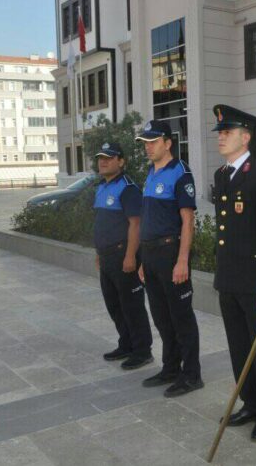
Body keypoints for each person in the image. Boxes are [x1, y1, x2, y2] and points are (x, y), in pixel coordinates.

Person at [211, 104, 256, 441]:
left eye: (227, 132)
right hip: (229, 278)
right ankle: (250, 402)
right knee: (239, 346)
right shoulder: (221, 175)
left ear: (245, 137)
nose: (221, 137)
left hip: (255, 282)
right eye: (220, 132)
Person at [135, 120, 203, 398]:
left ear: (168, 143)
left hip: (170, 253)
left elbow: (188, 222)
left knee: (181, 317)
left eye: (153, 142)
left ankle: (192, 375)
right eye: (145, 143)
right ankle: (171, 368)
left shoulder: (180, 173)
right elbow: (149, 220)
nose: (148, 147)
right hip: (151, 256)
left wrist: (182, 260)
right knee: (162, 317)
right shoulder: (151, 172)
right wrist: (143, 260)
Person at [93, 142, 153, 370]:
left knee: (132, 306)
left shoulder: (128, 188)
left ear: (121, 161)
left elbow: (135, 224)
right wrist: (98, 252)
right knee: (114, 304)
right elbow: (102, 223)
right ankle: (126, 344)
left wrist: (130, 256)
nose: (103, 162)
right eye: (101, 158)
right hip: (106, 257)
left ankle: (142, 351)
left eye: (109, 158)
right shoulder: (101, 187)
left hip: (123, 255)